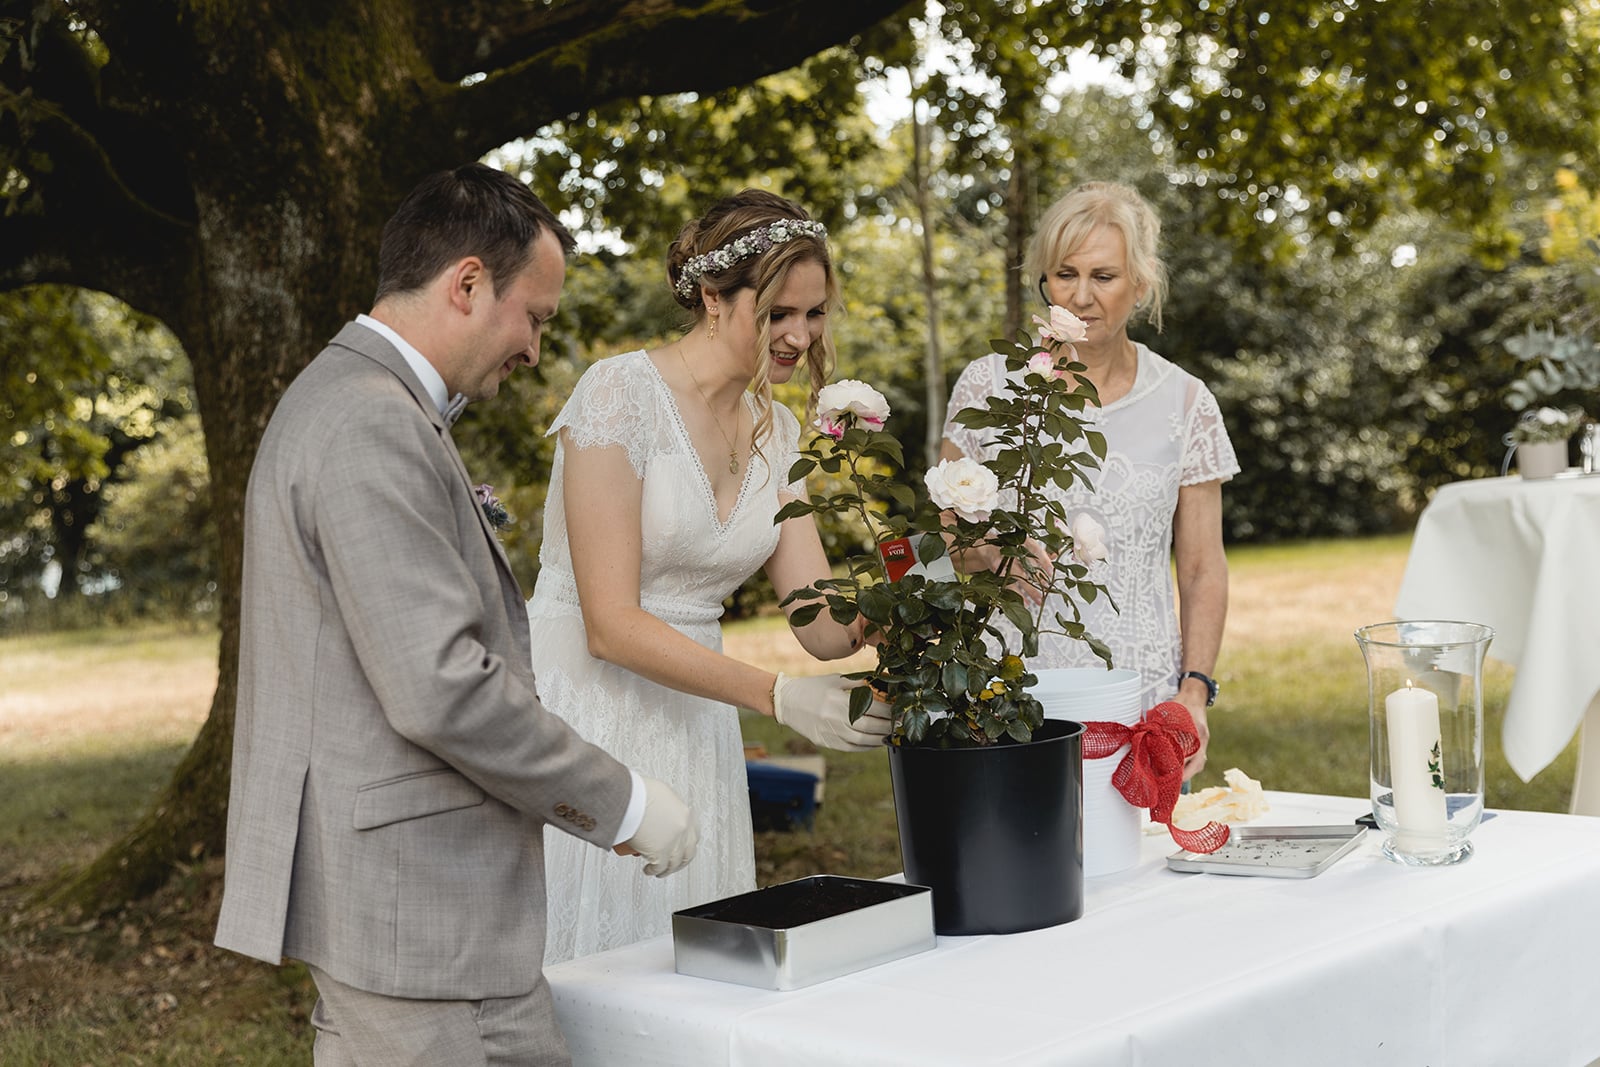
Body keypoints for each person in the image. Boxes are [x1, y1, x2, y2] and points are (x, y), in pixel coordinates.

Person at [213, 162, 699, 1066]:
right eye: (536, 316)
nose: (536, 349)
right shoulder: (368, 421)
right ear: (468, 284)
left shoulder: (354, 400)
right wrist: (624, 803)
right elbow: (441, 686)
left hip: (396, 907)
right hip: (427, 915)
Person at [528, 189, 891, 963]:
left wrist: (932, 575)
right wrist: (779, 697)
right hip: (585, 708)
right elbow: (609, 623)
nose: (799, 335)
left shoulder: (779, 427)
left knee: (685, 965)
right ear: (712, 297)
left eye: (815, 313)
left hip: (697, 721)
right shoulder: (620, 395)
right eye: (777, 313)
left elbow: (823, 625)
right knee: (583, 954)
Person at [941, 181, 1238, 781]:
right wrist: (991, 549)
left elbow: (1203, 567)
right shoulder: (990, 386)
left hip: (1141, 696)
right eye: (1064, 274)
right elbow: (943, 529)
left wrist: (1195, 693)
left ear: (1141, 282)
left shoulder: (1187, 402)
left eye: (1103, 276)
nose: (1080, 296)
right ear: (1043, 280)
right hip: (1011, 688)